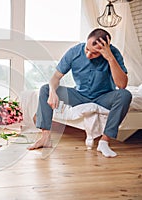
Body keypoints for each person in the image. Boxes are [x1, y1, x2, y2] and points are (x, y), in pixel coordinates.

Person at [28, 28, 132, 158]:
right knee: (45, 89)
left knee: (125, 95)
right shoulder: (74, 52)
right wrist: (53, 92)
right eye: (87, 49)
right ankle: (45, 138)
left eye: (94, 53)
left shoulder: (114, 54)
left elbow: (122, 85)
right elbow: (55, 78)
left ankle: (104, 142)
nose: (88, 55)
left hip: (103, 97)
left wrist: (110, 58)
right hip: (79, 95)